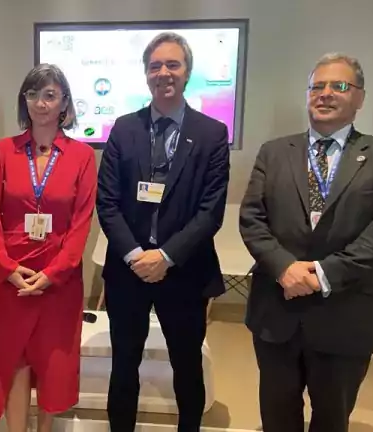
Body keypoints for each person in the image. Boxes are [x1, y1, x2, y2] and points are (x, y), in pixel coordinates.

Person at [239, 53, 373, 432]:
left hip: (344, 314)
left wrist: (321, 274)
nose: (326, 94)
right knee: (277, 417)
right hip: (276, 311)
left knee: (332, 419)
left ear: (360, 98)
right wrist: (284, 267)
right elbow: (252, 219)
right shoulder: (275, 152)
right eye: (318, 86)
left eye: (339, 86)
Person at [96, 32, 231, 431]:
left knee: (187, 364)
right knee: (124, 365)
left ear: (187, 72)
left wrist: (166, 257)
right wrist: (138, 256)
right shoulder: (123, 129)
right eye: (155, 66)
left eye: (173, 64)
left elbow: (210, 212)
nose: (164, 73)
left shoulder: (211, 133)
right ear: (146, 74)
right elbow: (107, 203)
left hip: (185, 271)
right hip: (128, 271)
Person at [0, 63, 97, 432]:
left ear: (64, 103)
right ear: (23, 102)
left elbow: (81, 222)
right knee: (14, 360)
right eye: (32, 94)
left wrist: (54, 273)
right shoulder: (3, 151)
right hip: (8, 277)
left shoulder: (82, 156)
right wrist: (5, 267)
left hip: (58, 279)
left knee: (52, 362)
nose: (40, 103)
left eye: (49, 95)